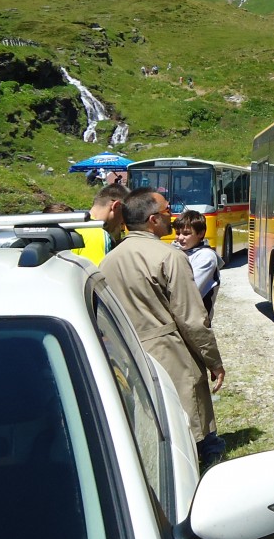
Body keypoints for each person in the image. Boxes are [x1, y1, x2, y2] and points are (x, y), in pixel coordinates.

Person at [97, 189, 226, 467]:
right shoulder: (170, 257)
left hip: (128, 354)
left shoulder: (109, 260)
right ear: (153, 219)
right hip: (170, 352)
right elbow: (192, 318)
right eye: (168, 211)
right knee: (186, 427)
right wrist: (214, 362)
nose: (173, 216)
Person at [174, 209, 221, 325]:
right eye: (177, 233)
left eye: (186, 234)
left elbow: (190, 292)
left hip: (196, 322)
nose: (180, 238)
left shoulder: (206, 256)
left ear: (201, 233)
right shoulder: (176, 250)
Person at [77, 183, 128, 264]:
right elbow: (96, 275)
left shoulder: (76, 225)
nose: (123, 222)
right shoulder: (97, 235)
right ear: (116, 206)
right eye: (125, 215)